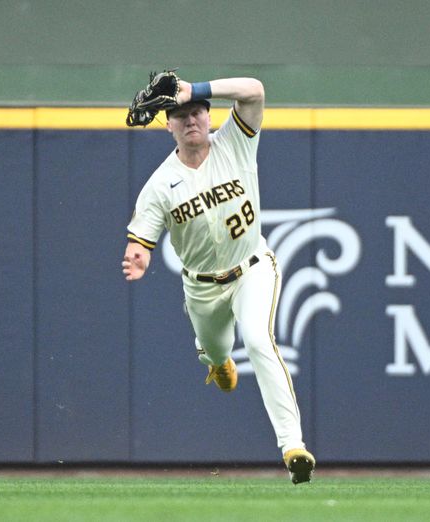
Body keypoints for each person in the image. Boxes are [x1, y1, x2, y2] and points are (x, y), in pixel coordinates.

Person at [122, 75, 315, 484]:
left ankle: (292, 447)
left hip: (252, 268)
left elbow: (256, 89)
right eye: (179, 115)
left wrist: (196, 89)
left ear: (209, 116)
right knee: (215, 350)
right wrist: (137, 256)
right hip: (202, 288)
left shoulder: (235, 142)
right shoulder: (159, 184)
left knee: (260, 341)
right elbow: (141, 240)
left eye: (196, 112)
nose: (190, 119)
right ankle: (216, 360)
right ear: (168, 126)